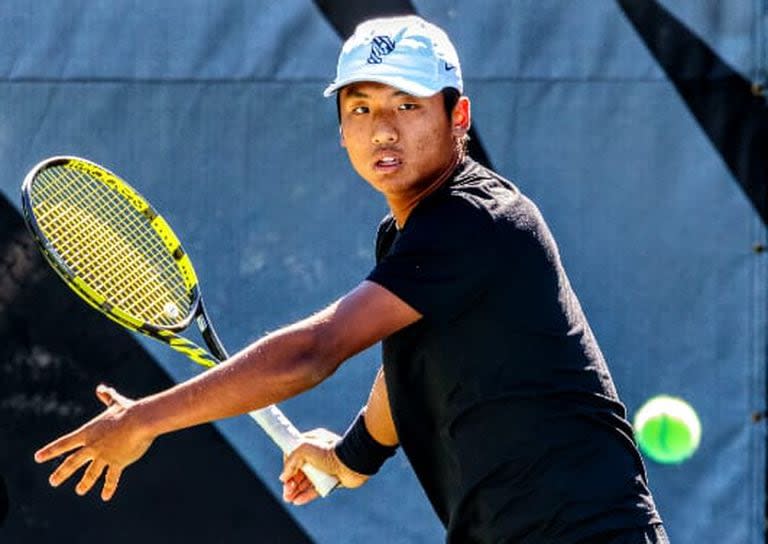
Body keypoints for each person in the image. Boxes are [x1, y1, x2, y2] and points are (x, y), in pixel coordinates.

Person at [35, 15, 668, 543]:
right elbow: (411, 362)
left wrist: (144, 420)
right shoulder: (412, 235)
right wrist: (351, 455)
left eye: (407, 105)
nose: (382, 128)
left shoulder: (473, 218)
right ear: (341, 130)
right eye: (360, 107)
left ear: (458, 116)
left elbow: (315, 351)